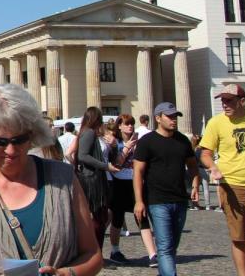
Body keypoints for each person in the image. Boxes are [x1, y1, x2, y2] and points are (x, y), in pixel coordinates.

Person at [0, 84, 103, 276]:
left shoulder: (64, 179)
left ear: (32, 135)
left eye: (19, 140)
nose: (10, 151)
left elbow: (92, 255)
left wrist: (66, 274)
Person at [199, 84, 245, 276]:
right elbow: (205, 153)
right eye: (222, 100)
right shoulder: (216, 123)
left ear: (242, 101)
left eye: (229, 100)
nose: (224, 105)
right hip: (233, 187)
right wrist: (213, 167)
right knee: (239, 238)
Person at [133, 102, 200, 276]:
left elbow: (193, 165)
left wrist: (195, 184)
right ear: (157, 118)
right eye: (169, 116)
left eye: (175, 116)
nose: (173, 120)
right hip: (157, 200)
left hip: (180, 200)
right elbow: (138, 173)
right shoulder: (147, 142)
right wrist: (139, 201)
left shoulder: (182, 140)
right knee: (164, 247)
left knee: (171, 246)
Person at [107, 113, 156, 265]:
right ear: (119, 126)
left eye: (132, 123)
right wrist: (128, 147)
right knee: (117, 218)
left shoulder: (141, 142)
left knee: (141, 216)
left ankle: (152, 254)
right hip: (119, 183)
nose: (130, 126)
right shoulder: (115, 143)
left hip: (135, 182)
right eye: (127, 124)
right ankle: (115, 250)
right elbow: (116, 164)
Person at [75, 107, 120, 248]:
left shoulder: (93, 134)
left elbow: (112, 157)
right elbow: (82, 156)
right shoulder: (88, 133)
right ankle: (95, 252)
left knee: (102, 217)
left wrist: (113, 146)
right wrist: (105, 166)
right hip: (92, 180)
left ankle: (96, 251)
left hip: (97, 178)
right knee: (99, 218)